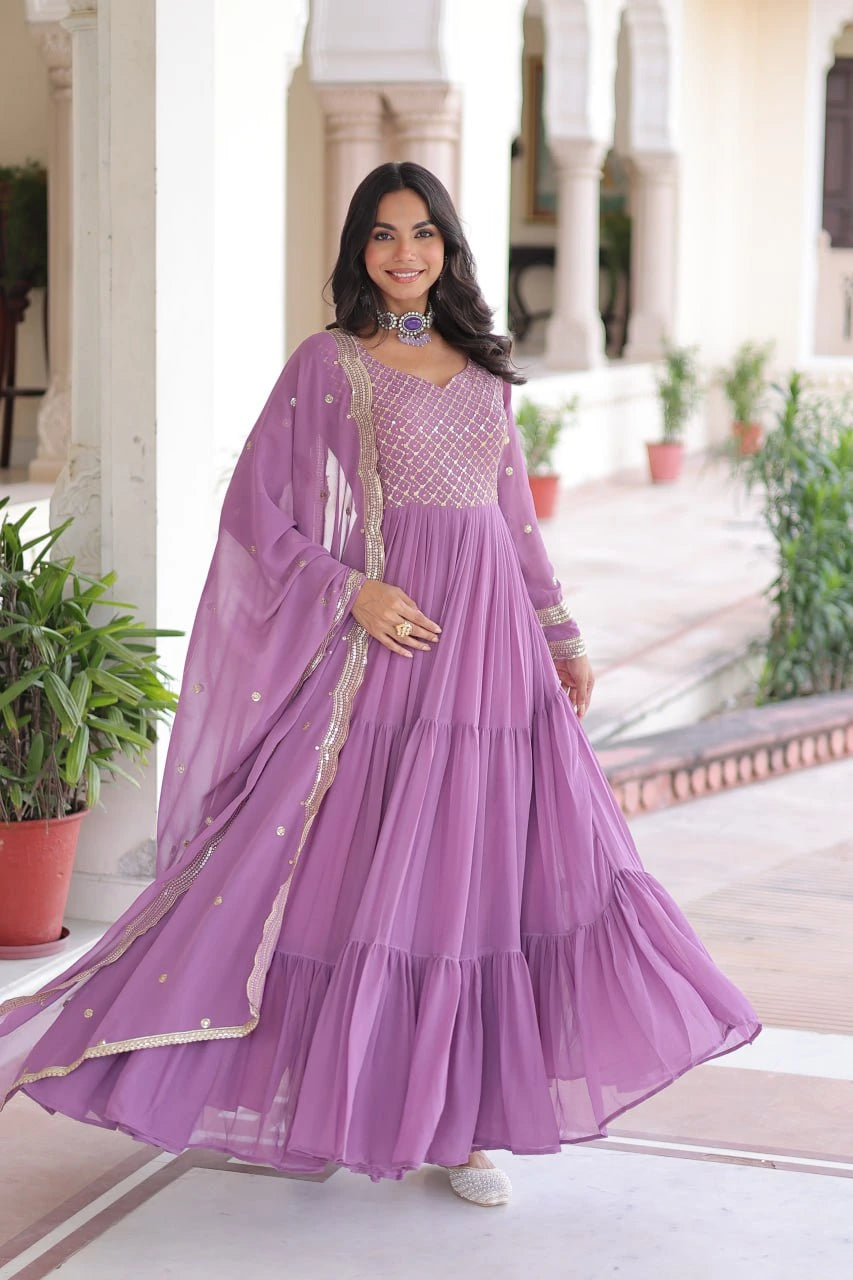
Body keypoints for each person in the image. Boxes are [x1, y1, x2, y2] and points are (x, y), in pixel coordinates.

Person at [0, 162, 760, 1208]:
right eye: (383, 236)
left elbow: (513, 521)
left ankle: (462, 1125)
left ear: (449, 248)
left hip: (494, 656)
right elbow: (256, 511)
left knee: (478, 874)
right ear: (359, 250)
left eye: (424, 235)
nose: (404, 255)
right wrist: (349, 588)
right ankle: (303, 1089)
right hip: (391, 649)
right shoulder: (332, 364)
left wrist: (560, 630)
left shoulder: (489, 373)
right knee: (351, 871)